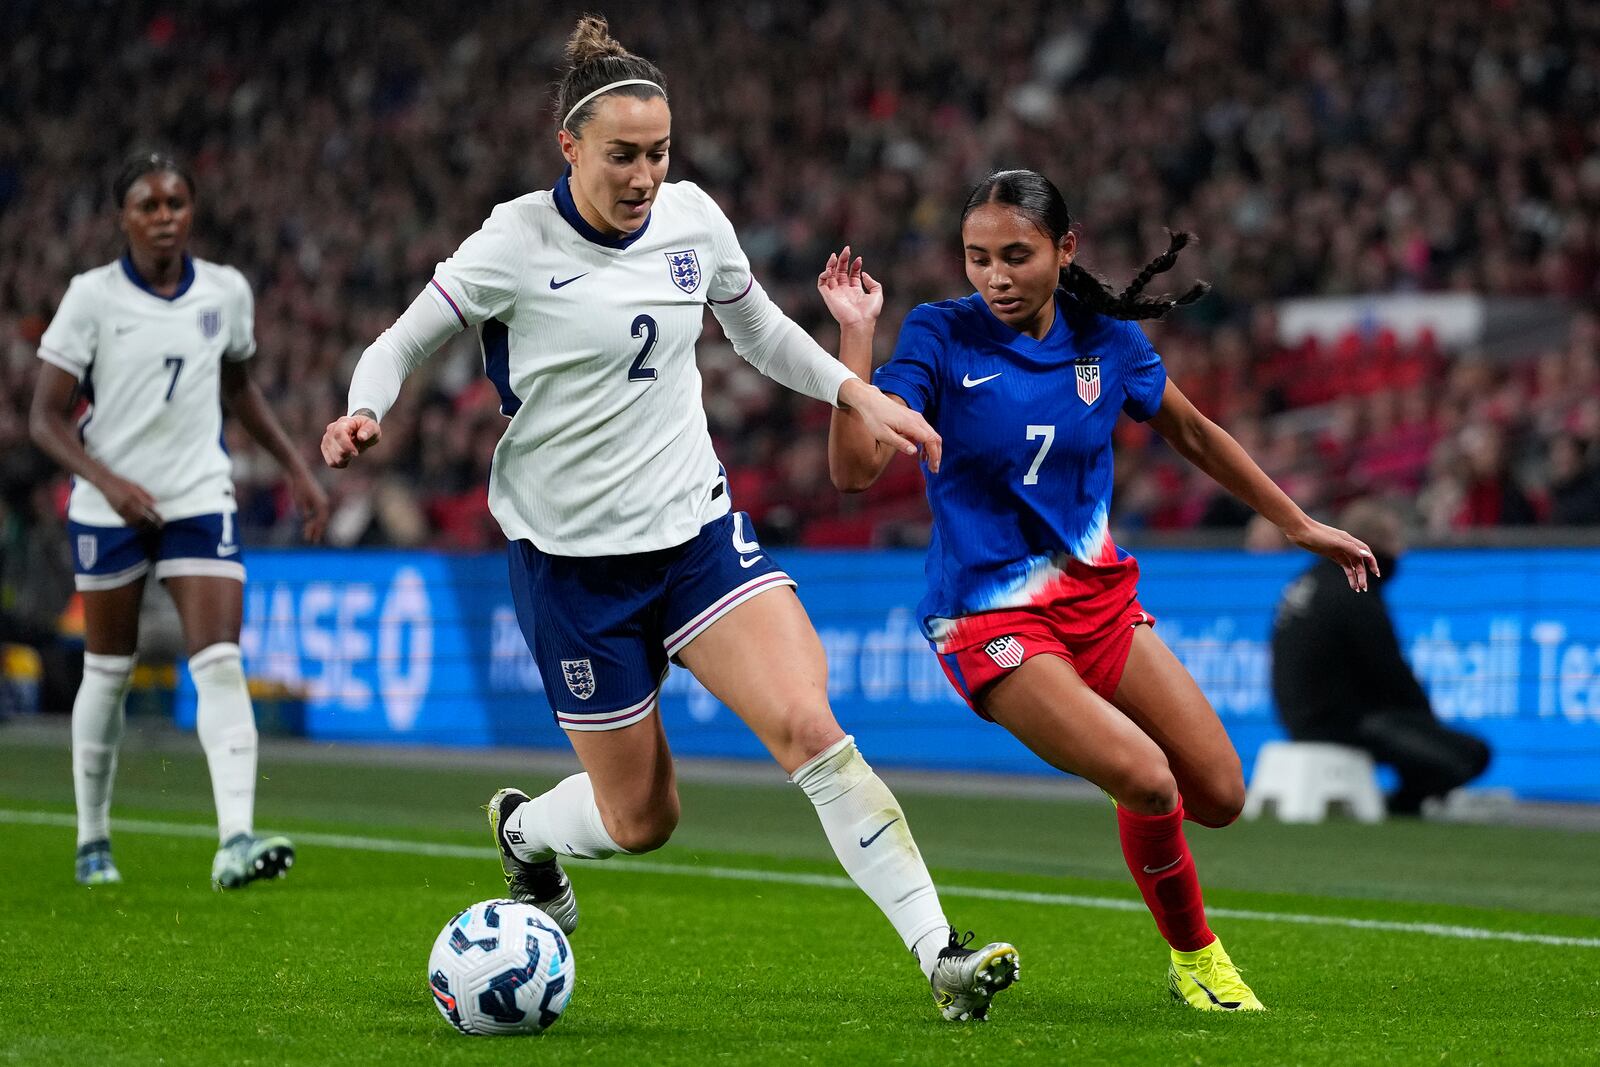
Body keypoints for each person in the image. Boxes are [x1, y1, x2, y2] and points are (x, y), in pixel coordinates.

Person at [320, 16, 1018, 1022]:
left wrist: (848, 389)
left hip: (693, 534)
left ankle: (939, 952)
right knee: (643, 818)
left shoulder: (693, 220)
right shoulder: (514, 240)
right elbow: (400, 341)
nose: (644, 174)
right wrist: (364, 406)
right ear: (569, 148)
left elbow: (760, 334)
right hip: (572, 567)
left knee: (810, 724)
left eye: (658, 152)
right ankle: (526, 832)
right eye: (622, 155)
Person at [825, 169, 1379, 1013]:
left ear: (1065, 248)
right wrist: (856, 341)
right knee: (1150, 780)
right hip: (987, 614)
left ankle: (1168, 891)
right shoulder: (940, 336)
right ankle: (1197, 958)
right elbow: (853, 471)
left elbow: (1191, 429)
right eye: (978, 258)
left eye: (1016, 256)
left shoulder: (1107, 341)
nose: (995, 277)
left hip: (1098, 602)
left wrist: (1298, 524)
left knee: (1220, 794)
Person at [30, 152, 329, 888]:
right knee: (108, 669)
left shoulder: (225, 291)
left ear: (191, 211)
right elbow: (42, 417)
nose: (164, 216)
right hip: (109, 505)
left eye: (175, 203)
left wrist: (297, 468)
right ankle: (93, 838)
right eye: (148, 204)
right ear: (122, 216)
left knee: (221, 659)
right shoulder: (91, 298)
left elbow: (239, 388)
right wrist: (107, 480)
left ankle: (236, 838)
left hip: (198, 494)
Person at [1272, 499, 1491, 815]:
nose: (1400, 553)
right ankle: (1403, 805)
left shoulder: (1312, 581)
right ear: (1370, 546)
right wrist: (1428, 723)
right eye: (1394, 541)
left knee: (1414, 733)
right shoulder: (1354, 593)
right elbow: (1391, 672)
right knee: (1471, 754)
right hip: (1340, 722)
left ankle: (1404, 799)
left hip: (1301, 717)